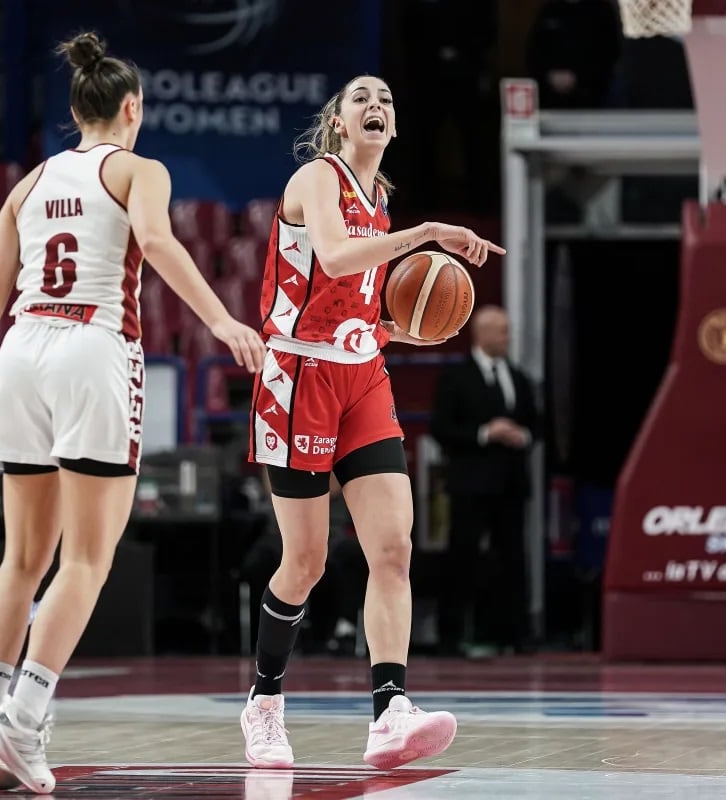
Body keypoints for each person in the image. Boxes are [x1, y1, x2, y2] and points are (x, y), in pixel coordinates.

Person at [0, 32, 263, 795]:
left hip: (19, 353)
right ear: (131, 108)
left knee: (22, 559)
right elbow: (154, 242)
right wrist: (222, 320)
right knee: (87, 560)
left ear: (74, 109)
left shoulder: (27, 185)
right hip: (93, 345)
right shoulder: (137, 168)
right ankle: (21, 721)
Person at [242, 73, 504, 770]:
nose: (376, 105)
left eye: (387, 99)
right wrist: (428, 235)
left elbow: (347, 291)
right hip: (297, 377)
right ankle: (264, 702)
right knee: (305, 562)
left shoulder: (380, 199)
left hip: (361, 377)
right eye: (361, 98)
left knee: (394, 547)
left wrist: (391, 323)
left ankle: (390, 710)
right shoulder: (316, 179)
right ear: (338, 124)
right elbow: (330, 256)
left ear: (394, 127)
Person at [430, 305, 540, 656]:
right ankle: (452, 635)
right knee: (462, 558)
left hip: (510, 483)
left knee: (513, 558)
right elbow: (441, 427)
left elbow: (537, 423)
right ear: (482, 333)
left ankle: (515, 634)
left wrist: (521, 435)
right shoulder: (456, 377)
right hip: (470, 484)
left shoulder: (519, 377)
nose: (507, 337)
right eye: (502, 330)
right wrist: (484, 432)